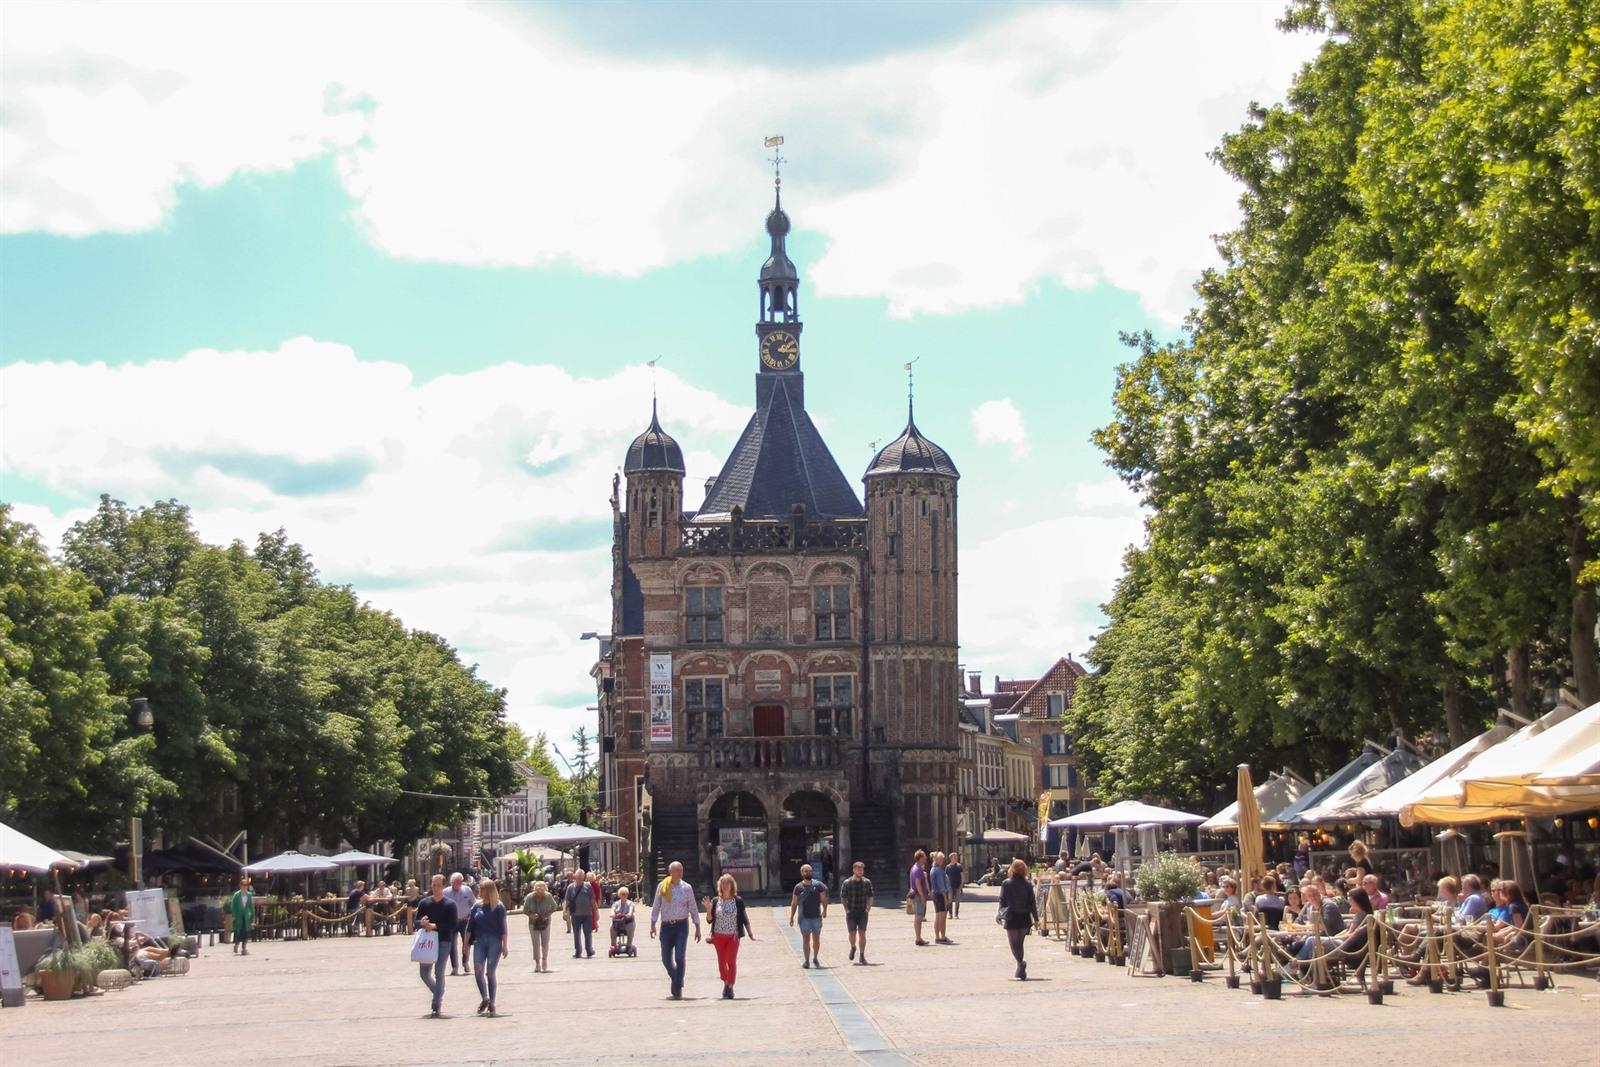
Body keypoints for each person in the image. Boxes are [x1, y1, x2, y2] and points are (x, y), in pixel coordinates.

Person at [649, 861, 702, 999]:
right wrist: (653, 923)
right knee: (666, 959)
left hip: (681, 926)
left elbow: (693, 907)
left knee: (679, 957)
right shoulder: (662, 886)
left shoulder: (687, 888)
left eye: (681, 870)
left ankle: (677, 988)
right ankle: (677, 978)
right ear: (671, 872)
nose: (680, 872)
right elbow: (656, 906)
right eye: (677, 870)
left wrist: (697, 926)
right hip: (666, 926)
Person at [703, 873, 755, 999]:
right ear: (720, 886)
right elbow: (709, 920)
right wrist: (708, 909)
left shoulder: (738, 901)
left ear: (732, 885)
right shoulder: (716, 901)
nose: (725, 886)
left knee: (731, 962)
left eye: (728, 883)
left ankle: (729, 987)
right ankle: (726, 981)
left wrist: (750, 933)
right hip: (718, 937)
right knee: (722, 965)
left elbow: (744, 918)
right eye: (723, 883)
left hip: (733, 936)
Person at [414, 875, 458, 1017]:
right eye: (434, 885)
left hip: (443, 941)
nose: (436, 888)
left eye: (438, 885)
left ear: (443, 887)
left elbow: (452, 925)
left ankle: (436, 1003)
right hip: (427, 941)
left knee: (439, 972)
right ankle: (439, 991)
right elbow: (416, 921)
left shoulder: (450, 904)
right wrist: (422, 922)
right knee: (424, 973)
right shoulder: (424, 903)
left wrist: (435, 926)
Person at [465, 878, 508, 1016]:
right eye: (480, 888)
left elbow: (503, 927)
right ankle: (485, 998)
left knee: (490, 972)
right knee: (478, 970)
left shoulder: (498, 906)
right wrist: (465, 945)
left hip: (494, 941)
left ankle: (493, 1002)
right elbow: (469, 927)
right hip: (479, 941)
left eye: (483, 888)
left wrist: (505, 945)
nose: (480, 891)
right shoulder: (476, 907)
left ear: (489, 890)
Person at [997, 858, 1039, 980]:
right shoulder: (1028, 884)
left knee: (1013, 944)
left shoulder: (1006, 883)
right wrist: (1035, 919)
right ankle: (1020, 968)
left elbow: (1002, 901)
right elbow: (1032, 903)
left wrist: (999, 914)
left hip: (1012, 916)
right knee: (1020, 944)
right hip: (1024, 917)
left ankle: (1020, 963)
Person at [789, 862, 829, 967]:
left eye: (810, 871)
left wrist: (825, 910)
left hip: (816, 916)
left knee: (816, 939)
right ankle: (806, 960)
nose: (809, 873)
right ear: (802, 873)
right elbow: (794, 903)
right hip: (804, 918)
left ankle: (815, 957)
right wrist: (792, 917)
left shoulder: (819, 885)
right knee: (805, 940)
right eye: (806, 871)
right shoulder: (798, 887)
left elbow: (824, 899)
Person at [839, 860, 875, 965]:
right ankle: (853, 946)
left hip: (862, 911)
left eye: (862, 869)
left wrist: (869, 907)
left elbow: (870, 895)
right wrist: (846, 909)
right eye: (858, 869)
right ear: (854, 870)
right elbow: (843, 897)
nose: (860, 871)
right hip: (851, 911)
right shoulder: (847, 883)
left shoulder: (867, 882)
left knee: (862, 932)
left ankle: (862, 955)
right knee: (852, 933)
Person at [443, 872, 475, 976]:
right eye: (457, 882)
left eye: (460, 881)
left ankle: (465, 962)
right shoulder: (446, 892)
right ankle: (454, 967)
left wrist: (470, 915)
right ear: (452, 883)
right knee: (452, 945)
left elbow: (473, 904)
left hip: (465, 920)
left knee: (466, 943)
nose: (459, 884)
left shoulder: (467, 890)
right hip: (451, 922)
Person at [521, 880, 557, 972]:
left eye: (542, 892)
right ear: (535, 890)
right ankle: (537, 963)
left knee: (545, 943)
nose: (540, 894)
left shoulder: (548, 896)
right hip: (533, 923)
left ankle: (544, 960)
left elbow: (554, 906)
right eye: (538, 892)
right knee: (535, 943)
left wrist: (547, 914)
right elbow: (525, 910)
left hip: (545, 922)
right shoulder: (529, 897)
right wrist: (531, 915)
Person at [564, 867, 595, 958]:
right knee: (576, 933)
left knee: (587, 932)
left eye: (581, 878)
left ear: (584, 878)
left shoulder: (588, 886)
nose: (579, 879)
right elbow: (567, 900)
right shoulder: (570, 888)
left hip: (587, 914)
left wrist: (596, 911)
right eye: (577, 877)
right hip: (575, 914)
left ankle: (589, 950)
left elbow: (592, 899)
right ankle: (578, 951)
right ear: (575, 877)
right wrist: (564, 911)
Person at [907, 850, 931, 946]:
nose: (925, 858)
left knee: (918, 916)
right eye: (924, 856)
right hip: (917, 896)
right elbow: (918, 884)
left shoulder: (915, 867)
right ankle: (918, 938)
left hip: (916, 895)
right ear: (920, 858)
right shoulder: (917, 870)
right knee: (918, 916)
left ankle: (918, 937)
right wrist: (922, 897)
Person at [228, 876, 256, 956]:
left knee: (246, 933)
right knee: (238, 932)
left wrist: (253, 916)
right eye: (243, 885)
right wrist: (233, 915)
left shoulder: (249, 895)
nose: (244, 887)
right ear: (240, 886)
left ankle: (244, 948)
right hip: (238, 916)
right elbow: (233, 906)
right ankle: (236, 945)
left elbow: (251, 906)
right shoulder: (236, 895)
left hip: (246, 917)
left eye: (246, 885)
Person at [929, 851, 952, 943]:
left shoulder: (932, 869)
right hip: (940, 895)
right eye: (941, 859)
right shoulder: (938, 870)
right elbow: (941, 886)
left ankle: (937, 936)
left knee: (938, 916)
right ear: (937, 859)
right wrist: (946, 899)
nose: (943, 861)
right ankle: (942, 936)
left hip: (934, 894)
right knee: (942, 917)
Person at [611, 886, 637, 951]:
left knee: (630, 927)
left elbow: (631, 912)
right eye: (623, 894)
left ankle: (629, 945)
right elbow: (613, 910)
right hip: (618, 922)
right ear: (619, 895)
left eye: (626, 894)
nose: (625, 896)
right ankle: (613, 945)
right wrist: (613, 914)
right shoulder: (616, 903)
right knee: (611, 927)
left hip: (628, 921)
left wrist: (628, 915)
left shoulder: (630, 903)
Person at [947, 852, 964, 919]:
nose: (956, 858)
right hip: (950, 887)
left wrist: (961, 885)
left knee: (957, 901)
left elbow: (962, 876)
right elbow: (946, 877)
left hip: (957, 886)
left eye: (956, 857)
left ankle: (956, 914)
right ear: (951, 858)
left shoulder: (959, 866)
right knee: (950, 900)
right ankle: (950, 914)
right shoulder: (947, 867)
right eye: (954, 857)